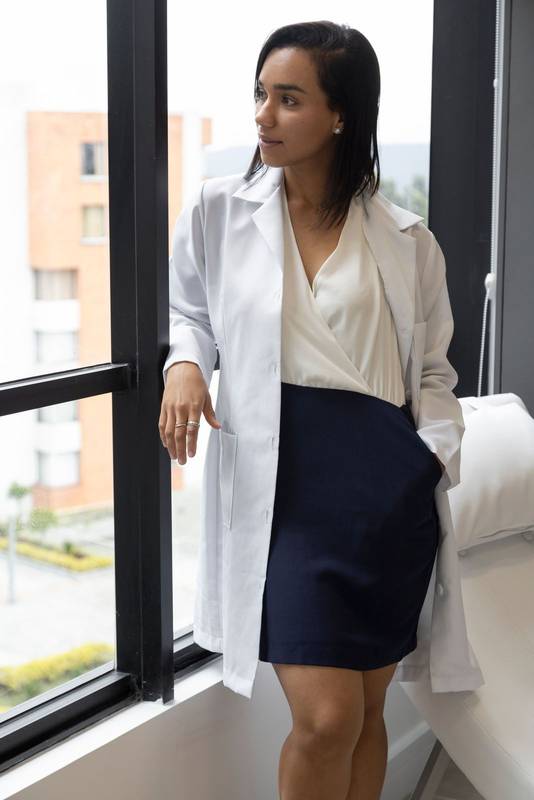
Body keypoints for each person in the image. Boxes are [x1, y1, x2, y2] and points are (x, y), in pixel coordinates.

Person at [160, 20, 457, 800]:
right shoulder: (218, 212)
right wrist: (186, 365)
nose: (262, 115)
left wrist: (426, 457)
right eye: (260, 94)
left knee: (363, 710)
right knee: (325, 717)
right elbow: (187, 312)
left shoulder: (408, 240)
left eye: (287, 99)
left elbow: (434, 373)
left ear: (340, 116)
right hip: (284, 486)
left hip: (387, 495)